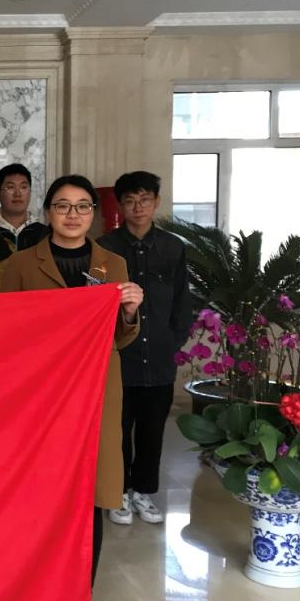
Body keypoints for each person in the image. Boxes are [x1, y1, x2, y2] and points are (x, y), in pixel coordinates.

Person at [0, 174, 143, 601]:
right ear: (48, 212)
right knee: (38, 496)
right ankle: (29, 599)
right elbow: (4, 332)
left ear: (94, 215)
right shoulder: (21, 264)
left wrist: (129, 311)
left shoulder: (113, 264)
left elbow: (121, 336)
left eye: (83, 206)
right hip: (38, 398)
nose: (73, 214)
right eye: (63, 205)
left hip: (96, 391)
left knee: (87, 497)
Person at [98, 171, 191, 526]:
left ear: (156, 202)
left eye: (145, 200)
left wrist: (173, 341)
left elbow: (182, 301)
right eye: (130, 201)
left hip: (160, 357)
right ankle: (120, 491)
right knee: (118, 428)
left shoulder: (173, 247)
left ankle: (143, 491)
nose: (138, 207)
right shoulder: (105, 248)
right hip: (120, 357)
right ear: (120, 206)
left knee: (153, 430)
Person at [0, 163, 49, 250]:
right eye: (10, 187)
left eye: (23, 187)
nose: (18, 194)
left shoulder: (44, 233)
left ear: (30, 193)